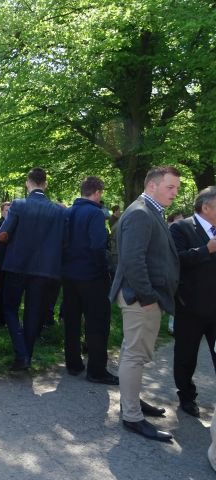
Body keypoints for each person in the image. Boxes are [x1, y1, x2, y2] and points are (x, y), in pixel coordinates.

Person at [109, 166, 181, 442]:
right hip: (140, 299)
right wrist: (149, 298)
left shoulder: (149, 210)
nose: (175, 193)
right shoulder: (140, 213)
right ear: (152, 186)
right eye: (170, 187)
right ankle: (132, 416)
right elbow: (132, 261)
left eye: (176, 188)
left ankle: (132, 402)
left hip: (142, 298)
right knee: (135, 356)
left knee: (133, 353)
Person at [0, 167, 67, 371]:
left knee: (10, 308)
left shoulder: (19, 205)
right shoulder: (58, 211)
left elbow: (3, 233)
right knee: (33, 312)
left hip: (17, 266)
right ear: (45, 184)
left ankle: (21, 353)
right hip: (45, 269)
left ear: (28, 183)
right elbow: (63, 241)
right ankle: (26, 355)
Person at [62, 176, 118, 385]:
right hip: (91, 275)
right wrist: (104, 270)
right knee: (97, 322)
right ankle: (96, 369)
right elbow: (97, 246)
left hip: (69, 274)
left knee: (72, 321)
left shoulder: (68, 212)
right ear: (97, 192)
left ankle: (73, 363)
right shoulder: (95, 213)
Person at [169, 186, 216, 417]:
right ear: (206, 207)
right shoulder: (181, 228)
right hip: (191, 308)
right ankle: (187, 396)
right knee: (186, 357)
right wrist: (206, 250)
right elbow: (176, 260)